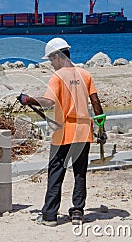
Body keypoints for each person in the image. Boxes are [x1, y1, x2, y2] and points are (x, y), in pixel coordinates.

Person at [18, 37, 106, 227]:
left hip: (64, 132)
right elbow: (97, 104)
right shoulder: (85, 74)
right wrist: (102, 128)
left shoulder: (57, 77)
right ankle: (77, 212)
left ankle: (50, 215)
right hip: (84, 131)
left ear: (58, 56)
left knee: (56, 172)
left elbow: (48, 102)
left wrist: (28, 100)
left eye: (51, 59)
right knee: (80, 172)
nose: (51, 63)